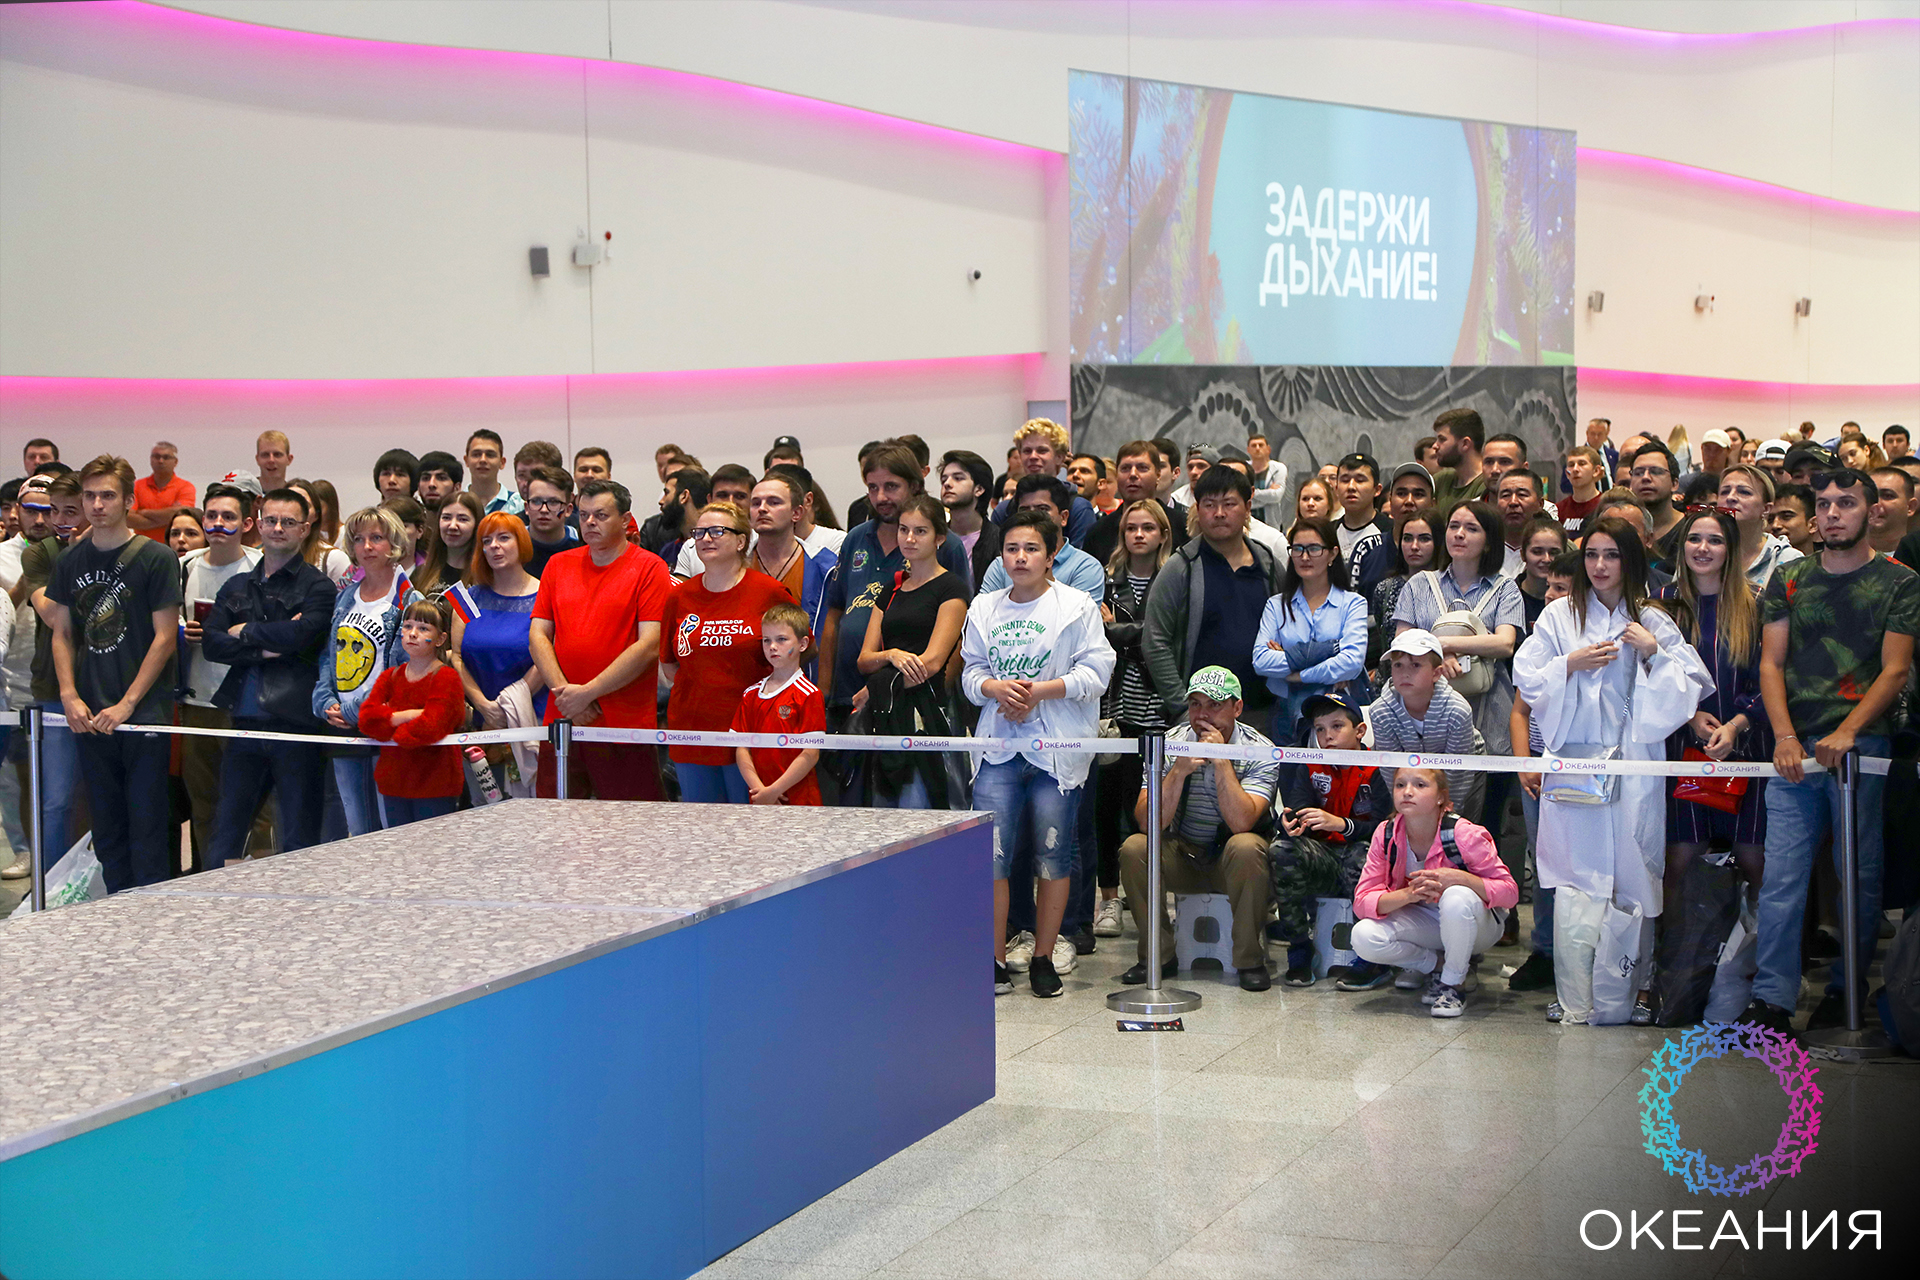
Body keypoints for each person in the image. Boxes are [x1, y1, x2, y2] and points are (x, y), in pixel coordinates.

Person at [1514, 517, 1711, 1025]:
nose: (1600, 566)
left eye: (1612, 555)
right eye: (1592, 554)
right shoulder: (1559, 615)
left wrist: (1653, 652)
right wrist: (1569, 664)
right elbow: (1527, 676)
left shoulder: (1651, 617)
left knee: (1634, 874)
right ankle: (1575, 994)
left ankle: (1634, 989)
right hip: (1574, 763)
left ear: (1631, 560)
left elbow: (1691, 685)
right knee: (1575, 881)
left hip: (1633, 765)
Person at [1746, 470, 1920, 1034]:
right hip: (1794, 747)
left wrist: (1849, 730)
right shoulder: (1790, 576)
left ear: (1871, 510)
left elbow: (1895, 671)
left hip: (1862, 747)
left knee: (1859, 878)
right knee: (1781, 877)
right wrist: (1784, 736)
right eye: (1823, 505)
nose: (1832, 514)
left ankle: (1847, 988)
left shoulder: (1900, 582)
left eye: (1845, 503)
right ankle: (1772, 998)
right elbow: (1771, 662)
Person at [962, 508, 1115, 998]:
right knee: (993, 856)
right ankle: (992, 958)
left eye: (1031, 549)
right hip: (998, 749)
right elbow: (969, 673)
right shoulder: (984, 608)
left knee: (1053, 852)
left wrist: (1039, 692)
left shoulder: (1075, 606)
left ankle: (1045, 955)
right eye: (1012, 549)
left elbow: (1097, 672)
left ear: (1051, 556)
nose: (1020, 558)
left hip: (1055, 750)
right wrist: (994, 687)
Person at [41, 456, 181, 891]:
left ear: (128, 501)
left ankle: (151, 913)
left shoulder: (157, 558)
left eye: (107, 495)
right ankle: (116, 909)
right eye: (90, 496)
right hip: (89, 712)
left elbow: (165, 638)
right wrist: (69, 694)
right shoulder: (71, 560)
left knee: (148, 825)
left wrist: (128, 703)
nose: (97, 505)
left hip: (144, 712)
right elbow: (62, 632)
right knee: (106, 827)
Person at [1654, 507, 1770, 1020]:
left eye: (1715, 541)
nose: (1703, 549)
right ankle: (1676, 974)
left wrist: (1737, 724)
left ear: (1732, 548)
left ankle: (1759, 981)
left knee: (1755, 861)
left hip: (1748, 752)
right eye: (1694, 539)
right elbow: (1647, 677)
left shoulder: (1757, 604)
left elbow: (1772, 678)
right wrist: (1688, 715)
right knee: (1679, 862)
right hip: (1683, 750)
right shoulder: (1661, 604)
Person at [1116, 665, 1278, 992]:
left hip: (1233, 862)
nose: (1203, 715)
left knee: (1247, 845)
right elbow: (1147, 822)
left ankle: (1249, 960)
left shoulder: (1260, 749)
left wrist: (1221, 761)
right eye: (1195, 704)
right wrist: (1177, 772)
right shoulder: (1168, 743)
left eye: (1214, 705)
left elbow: (1242, 822)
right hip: (1183, 853)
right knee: (1134, 848)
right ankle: (1157, 956)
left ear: (1237, 708)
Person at [201, 487, 336, 868]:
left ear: (305, 529)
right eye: (272, 520)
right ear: (258, 525)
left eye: (288, 522)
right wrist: (266, 647)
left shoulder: (319, 587)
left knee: (299, 838)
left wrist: (244, 631)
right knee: (225, 834)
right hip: (243, 723)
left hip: (296, 726)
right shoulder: (237, 585)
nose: (278, 528)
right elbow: (211, 644)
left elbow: (303, 635)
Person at [820, 444, 971, 771]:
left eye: (891, 486)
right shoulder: (856, 538)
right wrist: (826, 690)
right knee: (856, 793)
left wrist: (935, 695)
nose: (881, 497)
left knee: (916, 790)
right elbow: (835, 613)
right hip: (851, 693)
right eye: (872, 487)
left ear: (915, 485)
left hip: (915, 699)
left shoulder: (946, 546)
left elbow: (961, 634)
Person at [529, 479, 673, 801]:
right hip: (562, 720)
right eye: (583, 515)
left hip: (623, 725)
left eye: (601, 515)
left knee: (631, 821)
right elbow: (538, 635)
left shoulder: (650, 567)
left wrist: (587, 693)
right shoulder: (558, 564)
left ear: (625, 520)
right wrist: (567, 697)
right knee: (556, 819)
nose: (590, 522)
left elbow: (649, 645)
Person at [1393, 500, 1523, 824]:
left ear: (1489, 541)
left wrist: (1444, 644)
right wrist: (1443, 658)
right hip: (1429, 716)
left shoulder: (1505, 588)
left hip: (1491, 715)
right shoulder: (1419, 584)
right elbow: (1401, 645)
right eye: (1454, 526)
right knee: (1426, 819)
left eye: (1471, 528)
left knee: (1485, 825)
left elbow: (1504, 643)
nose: (1459, 534)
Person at [1350, 768, 1518, 1017]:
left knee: (1455, 896)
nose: (1407, 792)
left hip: (1477, 925)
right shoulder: (1386, 833)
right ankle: (1438, 966)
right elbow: (1362, 901)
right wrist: (1409, 894)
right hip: (1425, 923)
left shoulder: (1464, 833)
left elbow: (1510, 893)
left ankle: (1453, 984)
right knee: (1363, 936)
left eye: (1420, 785)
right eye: (1400, 785)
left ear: (1441, 797)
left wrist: (1460, 878)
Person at [659, 501, 793, 803]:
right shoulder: (679, 597)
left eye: (717, 531)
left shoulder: (769, 592)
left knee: (749, 824)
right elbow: (669, 663)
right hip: (693, 731)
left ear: (741, 541)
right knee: (701, 825)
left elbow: (798, 652)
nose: (706, 538)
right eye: (699, 532)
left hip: (751, 732)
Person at [1143, 465, 1283, 728]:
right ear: (1197, 508)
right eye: (1209, 505)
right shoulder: (1181, 567)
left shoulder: (1268, 564)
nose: (1219, 513)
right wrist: (1182, 706)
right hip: (1200, 716)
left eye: (1229, 504)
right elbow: (1155, 641)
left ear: (1248, 506)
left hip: (1265, 711)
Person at [1270, 693, 1391, 986]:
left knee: (1363, 854)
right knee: (1281, 849)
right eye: (1320, 729)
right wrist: (1289, 823)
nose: (1327, 736)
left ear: (1359, 731)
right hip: (1324, 858)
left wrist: (1343, 825)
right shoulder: (1310, 764)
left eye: (1337, 726)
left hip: (1366, 858)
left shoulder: (1378, 767)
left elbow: (1385, 829)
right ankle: (1300, 948)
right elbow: (1297, 809)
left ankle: (1373, 958)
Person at [856, 494, 969, 808]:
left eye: (920, 531)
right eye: (903, 529)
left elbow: (930, 663)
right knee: (883, 811)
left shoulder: (951, 588)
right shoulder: (891, 589)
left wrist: (877, 688)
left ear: (939, 538)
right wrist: (890, 654)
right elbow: (864, 660)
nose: (909, 538)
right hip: (887, 714)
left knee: (918, 809)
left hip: (927, 712)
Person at [315, 506, 422, 834]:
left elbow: (406, 670)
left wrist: (357, 710)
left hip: (384, 726)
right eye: (359, 539)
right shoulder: (346, 596)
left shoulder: (408, 600)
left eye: (377, 538)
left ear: (395, 544)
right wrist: (325, 701)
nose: (367, 547)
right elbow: (330, 655)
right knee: (356, 826)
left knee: (390, 828)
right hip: (343, 725)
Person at [1094, 497, 1171, 939]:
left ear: (1163, 534)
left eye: (1148, 528)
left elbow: (1164, 637)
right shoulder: (1107, 582)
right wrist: (1134, 636)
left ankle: (1155, 897)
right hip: (1116, 706)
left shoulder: (1174, 578)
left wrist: (1120, 632)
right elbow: (1098, 640)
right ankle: (1109, 898)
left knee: (1151, 810)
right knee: (1108, 805)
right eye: (1131, 528)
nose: (1138, 535)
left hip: (1161, 706)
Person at [178, 482, 264, 864]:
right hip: (196, 700)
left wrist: (236, 633)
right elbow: (166, 619)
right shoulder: (185, 565)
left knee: (257, 802)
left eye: (228, 517)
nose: (217, 524)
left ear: (246, 523)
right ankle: (210, 874)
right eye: (211, 515)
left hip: (246, 700)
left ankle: (259, 877)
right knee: (204, 801)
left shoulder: (259, 566)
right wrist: (183, 630)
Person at [1507, 553, 1577, 993]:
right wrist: (1525, 765)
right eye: (1549, 587)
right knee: (1544, 860)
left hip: (1582, 766)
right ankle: (1545, 950)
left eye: (1561, 589)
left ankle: (1582, 954)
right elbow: (1520, 712)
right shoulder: (1537, 645)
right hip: (1537, 768)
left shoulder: (1595, 645)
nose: (1550, 595)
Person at [448, 513, 545, 780]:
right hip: (480, 724)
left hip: (531, 718)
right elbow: (456, 657)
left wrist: (507, 705)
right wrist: (483, 706)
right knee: (481, 803)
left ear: (521, 542)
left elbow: (547, 657)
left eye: (503, 538)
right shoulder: (467, 598)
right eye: (486, 541)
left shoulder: (545, 595)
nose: (494, 546)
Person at [1252, 516, 1366, 743]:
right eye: (1297, 549)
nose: (1304, 557)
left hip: (1338, 712)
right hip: (1285, 714)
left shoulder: (1353, 603)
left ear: (1332, 554)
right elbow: (1261, 661)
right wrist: (1330, 652)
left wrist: (1298, 673)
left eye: (1314, 549)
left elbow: (1352, 662)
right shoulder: (1276, 605)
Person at [358, 598, 468, 827]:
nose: (413, 633)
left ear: (440, 639)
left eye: (423, 628)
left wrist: (390, 726)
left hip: (434, 785)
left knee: (432, 846)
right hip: (394, 783)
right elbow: (367, 720)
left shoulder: (446, 677)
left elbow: (431, 726)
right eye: (407, 626)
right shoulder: (390, 676)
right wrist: (406, 715)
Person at [731, 602, 825, 806]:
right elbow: (741, 748)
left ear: (803, 644)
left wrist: (775, 790)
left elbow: (810, 753)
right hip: (760, 800)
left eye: (781, 639)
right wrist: (760, 790)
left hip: (800, 803)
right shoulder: (750, 694)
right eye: (766, 640)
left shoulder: (809, 694)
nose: (772, 646)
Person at [746, 473, 837, 668]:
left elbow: (829, 639)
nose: (762, 509)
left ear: (796, 513)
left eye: (774, 502)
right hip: (748, 676)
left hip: (806, 676)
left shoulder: (825, 567)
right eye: (756, 503)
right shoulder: (736, 565)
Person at [978, 475, 1105, 598]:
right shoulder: (1002, 564)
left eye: (1042, 509)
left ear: (1063, 517)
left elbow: (1077, 611)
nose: (1032, 516)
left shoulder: (1085, 567)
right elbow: (984, 609)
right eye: (1024, 510)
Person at [988, 419, 1096, 547]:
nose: (1033, 456)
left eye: (1042, 450)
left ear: (1059, 457)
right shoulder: (1003, 510)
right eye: (1027, 451)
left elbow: (1082, 556)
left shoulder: (1078, 508)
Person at [1366, 507, 1438, 695]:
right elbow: (1383, 639)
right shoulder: (1385, 588)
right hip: (1390, 688)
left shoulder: (1447, 586)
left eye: (1424, 539)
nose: (1414, 546)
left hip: (1435, 686)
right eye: (1407, 538)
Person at [1083, 440, 1175, 568]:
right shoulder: (1098, 532)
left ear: (1158, 474)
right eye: (1125, 468)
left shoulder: (1182, 526)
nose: (1133, 474)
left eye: (1142, 468)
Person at [1714, 464, 1802, 590]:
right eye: (1724, 492)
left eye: (1744, 492)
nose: (1730, 497)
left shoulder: (1790, 560)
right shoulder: (1703, 552)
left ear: (1766, 509)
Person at [670, 464, 756, 579]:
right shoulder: (691, 547)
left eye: (740, 496)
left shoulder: (761, 543)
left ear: (751, 501)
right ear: (710, 499)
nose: (730, 502)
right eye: (722, 495)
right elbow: (684, 589)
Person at [939, 449, 1001, 591]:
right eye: (944, 479)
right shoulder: (935, 537)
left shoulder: (999, 540)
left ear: (979, 489)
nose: (947, 484)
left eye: (958, 478)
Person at [1624, 441, 1685, 567]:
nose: (1645, 477)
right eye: (1638, 472)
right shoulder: (1620, 528)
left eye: (1656, 471)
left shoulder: (1689, 530)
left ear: (1674, 484)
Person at [522, 466, 582, 576]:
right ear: (526, 507)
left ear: (568, 509)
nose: (544, 510)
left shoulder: (582, 546)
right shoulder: (512, 547)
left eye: (554, 502)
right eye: (536, 501)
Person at [1515, 515, 1569, 636]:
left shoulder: (1575, 598)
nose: (1546, 559)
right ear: (1523, 555)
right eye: (1537, 552)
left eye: (1554, 552)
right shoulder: (1506, 597)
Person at [417, 491, 481, 593]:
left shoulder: (487, 578)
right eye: (446, 518)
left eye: (462, 519)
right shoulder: (420, 573)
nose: (452, 526)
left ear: (477, 525)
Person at [131, 441, 195, 542]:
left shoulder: (185, 487)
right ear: (151, 459)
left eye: (166, 457)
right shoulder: (137, 486)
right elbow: (128, 519)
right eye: (156, 457)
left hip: (172, 547)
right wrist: (167, 519)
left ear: (175, 462)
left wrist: (144, 512)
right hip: (141, 546)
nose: (160, 461)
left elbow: (182, 515)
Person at [1430, 408, 1488, 509]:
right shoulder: (1441, 479)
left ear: (1465, 444)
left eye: (1442, 439)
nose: (1435, 446)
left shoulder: (1486, 484)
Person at [1495, 470, 1548, 576]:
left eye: (1522, 495)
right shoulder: (1481, 549)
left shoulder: (1559, 547)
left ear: (1540, 504)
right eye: (1505, 495)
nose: (1513, 502)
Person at [464, 430, 523, 516]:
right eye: (476, 454)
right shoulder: (454, 503)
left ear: (502, 462)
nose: (483, 460)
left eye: (490, 455)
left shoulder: (519, 505)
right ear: (466, 461)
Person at [1868, 465, 1916, 558]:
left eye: (1888, 496)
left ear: (1910, 506)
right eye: (1870, 495)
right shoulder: (1840, 554)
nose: (1876, 503)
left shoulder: (1916, 556)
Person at [1767, 483, 1818, 557]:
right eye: (1770, 519)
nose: (1775, 525)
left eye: (1786, 516)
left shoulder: (1830, 562)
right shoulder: (1757, 562)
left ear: (1813, 525)